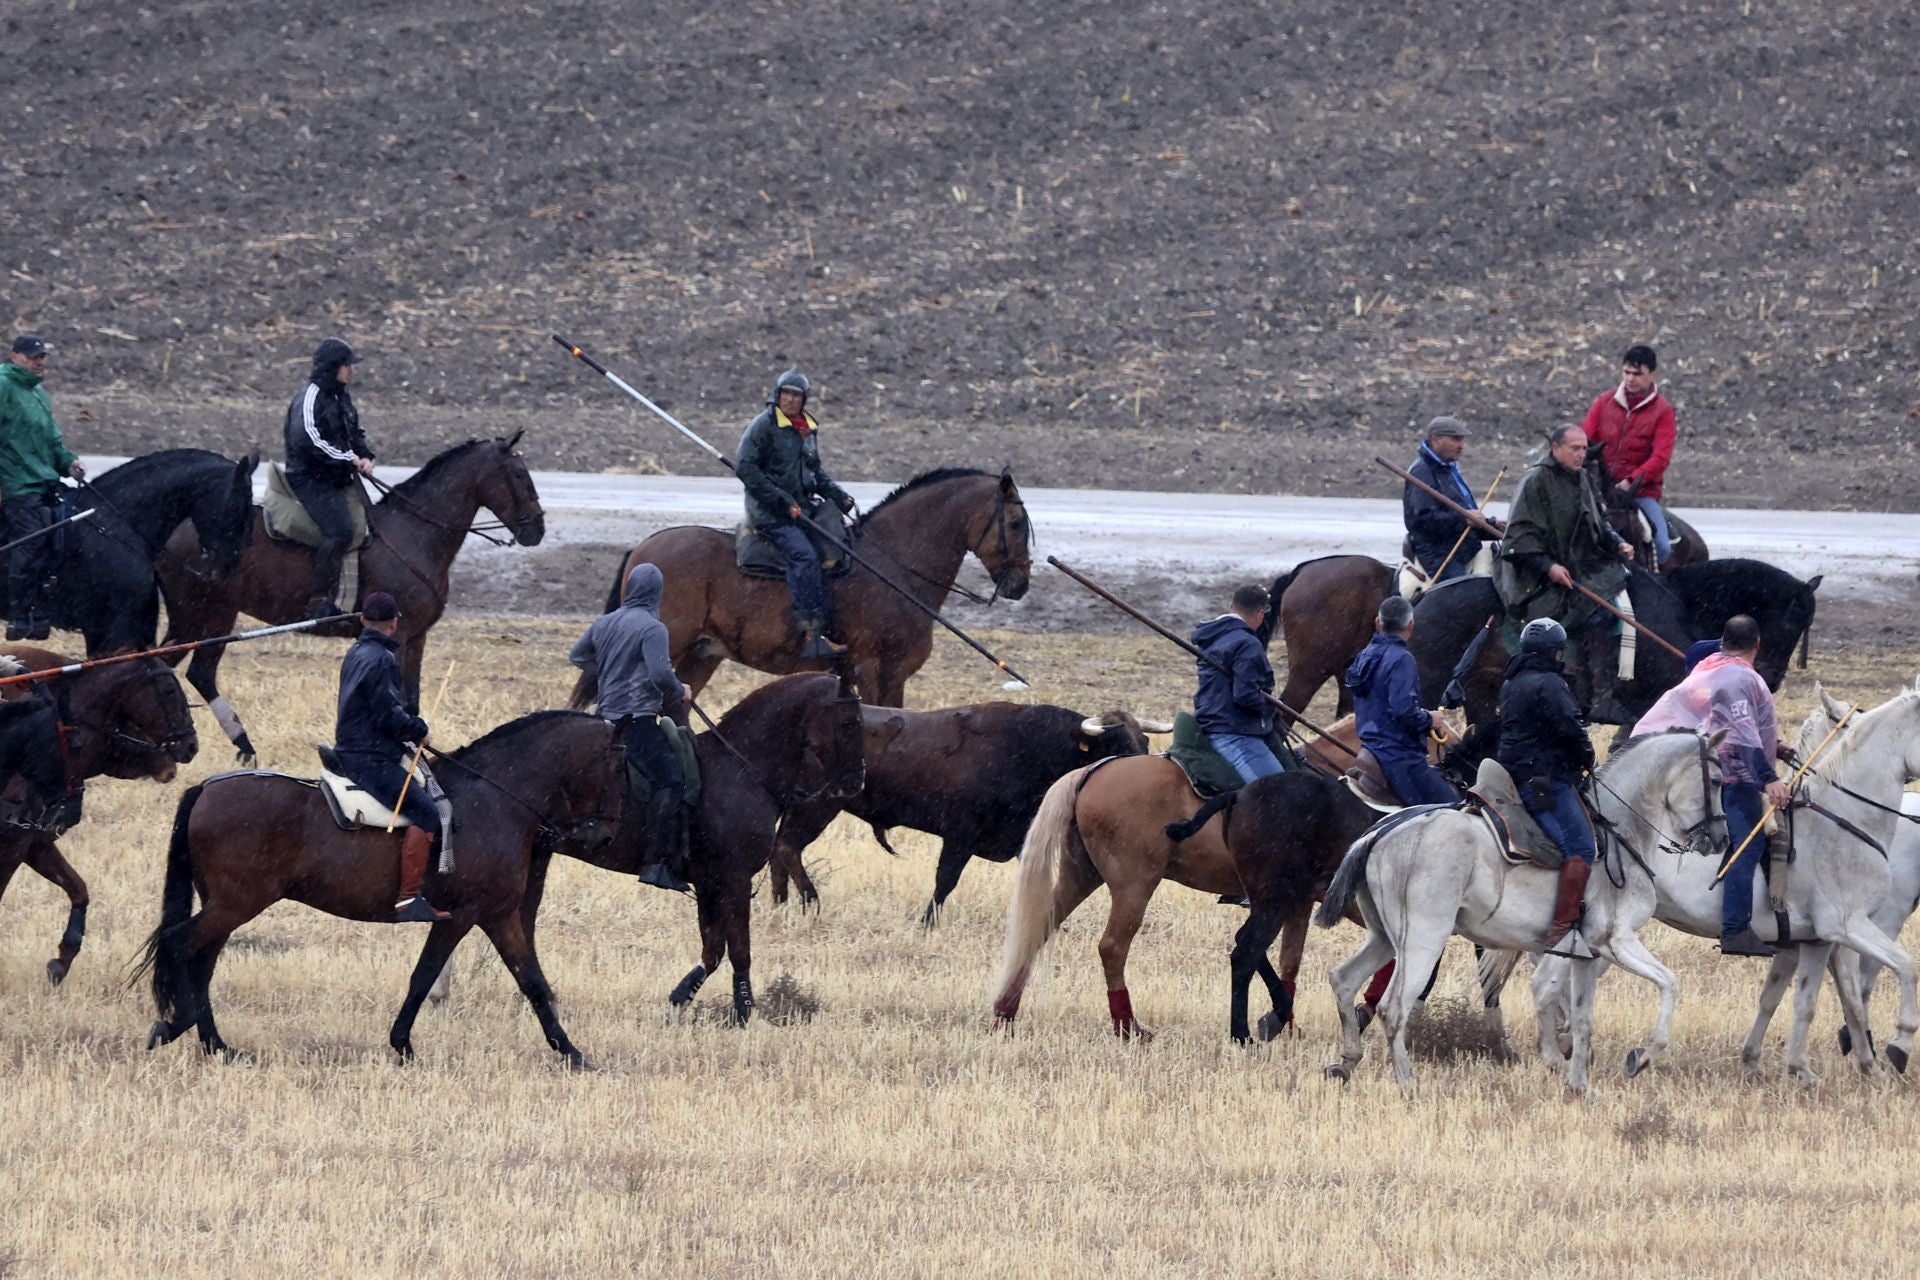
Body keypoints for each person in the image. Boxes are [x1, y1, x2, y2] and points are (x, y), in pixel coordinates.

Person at [1632, 615, 1789, 957]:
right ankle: (1735, 929)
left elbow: (1722, 722)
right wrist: (1770, 778)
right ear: (1757, 644)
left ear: (1724, 641)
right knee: (1747, 846)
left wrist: (1777, 747)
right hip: (1735, 778)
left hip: (1714, 767)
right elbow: (1743, 739)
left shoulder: (1712, 667)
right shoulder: (1738, 677)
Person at [1494, 423, 1636, 723]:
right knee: (1600, 611)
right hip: (1534, 577)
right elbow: (1518, 539)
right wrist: (1549, 567)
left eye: (1584, 448)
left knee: (1622, 585)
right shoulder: (1535, 480)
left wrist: (1618, 543)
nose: (1581, 454)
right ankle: (1596, 692)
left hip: (1577, 567)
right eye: (1575, 448)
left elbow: (1599, 523)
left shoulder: (1583, 478)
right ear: (1556, 448)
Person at [571, 563, 694, 893]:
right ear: (656, 592)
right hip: (636, 723)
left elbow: (577, 656)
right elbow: (659, 675)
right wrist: (680, 689)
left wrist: (609, 670)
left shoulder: (605, 622)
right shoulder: (653, 628)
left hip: (601, 721)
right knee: (671, 779)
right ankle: (657, 862)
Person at [333, 592, 449, 922]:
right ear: (395, 623)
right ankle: (409, 899)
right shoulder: (383, 659)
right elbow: (387, 716)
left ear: (362, 620)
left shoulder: (356, 651)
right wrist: (418, 729)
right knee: (428, 812)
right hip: (369, 757)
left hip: (353, 747)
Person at [735, 368, 855, 661]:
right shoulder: (763, 426)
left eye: (796, 395)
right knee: (804, 555)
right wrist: (782, 501)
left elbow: (815, 471)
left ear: (804, 400)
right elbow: (745, 468)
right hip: (770, 513)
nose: (790, 399)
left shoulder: (807, 428)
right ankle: (811, 634)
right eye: (786, 393)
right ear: (778, 395)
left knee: (840, 545)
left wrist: (838, 495)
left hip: (802, 508)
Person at [1495, 618, 1598, 949]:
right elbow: (1571, 727)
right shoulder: (1551, 684)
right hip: (1545, 780)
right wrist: (1587, 756)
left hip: (1515, 774)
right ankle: (1563, 927)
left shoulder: (1513, 681)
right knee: (1581, 847)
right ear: (1556, 652)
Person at [284, 336, 376, 620]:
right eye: (348, 365)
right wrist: (348, 459)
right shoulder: (309, 396)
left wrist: (366, 455)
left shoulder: (340, 395)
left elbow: (353, 433)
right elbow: (308, 440)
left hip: (336, 475)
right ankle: (319, 599)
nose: (353, 370)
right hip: (309, 477)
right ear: (333, 367)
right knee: (340, 531)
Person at [0, 335, 85, 641]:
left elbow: (52, 441)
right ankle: (18, 611)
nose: (40, 362)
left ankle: (42, 609)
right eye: (33, 356)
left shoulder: (37, 392)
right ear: (15, 356)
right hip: (15, 485)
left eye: (42, 356)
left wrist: (68, 462)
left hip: (44, 480)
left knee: (63, 539)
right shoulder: (3, 385)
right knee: (33, 540)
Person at [1345, 596, 1458, 805]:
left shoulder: (1365, 654)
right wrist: (1429, 719)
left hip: (1371, 749)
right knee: (1453, 809)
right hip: (1399, 757)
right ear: (1411, 625)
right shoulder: (1401, 659)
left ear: (1377, 623)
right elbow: (1403, 711)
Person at [1580, 344, 1677, 571]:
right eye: (1627, 372)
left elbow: (1661, 457)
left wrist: (1631, 481)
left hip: (1640, 493)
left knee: (1662, 546)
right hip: (1599, 489)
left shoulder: (1663, 411)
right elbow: (1583, 438)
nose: (1631, 379)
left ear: (1652, 374)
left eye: (1637, 374)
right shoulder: (1604, 402)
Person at [1192, 584, 1284, 783]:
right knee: (1280, 790)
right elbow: (1245, 695)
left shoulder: (1213, 637)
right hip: (1234, 732)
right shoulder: (1248, 644)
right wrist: (1271, 707)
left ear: (1231, 606)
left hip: (1210, 721)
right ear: (1261, 613)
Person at [1402, 416, 1500, 584]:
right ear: (1436, 439)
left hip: (1463, 548)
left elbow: (1465, 517)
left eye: (1462, 440)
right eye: (1455, 439)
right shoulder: (1422, 472)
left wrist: (1491, 525)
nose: (1461, 446)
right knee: (1466, 595)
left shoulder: (1449, 470)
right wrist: (1465, 519)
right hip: (1437, 554)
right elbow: (1421, 521)